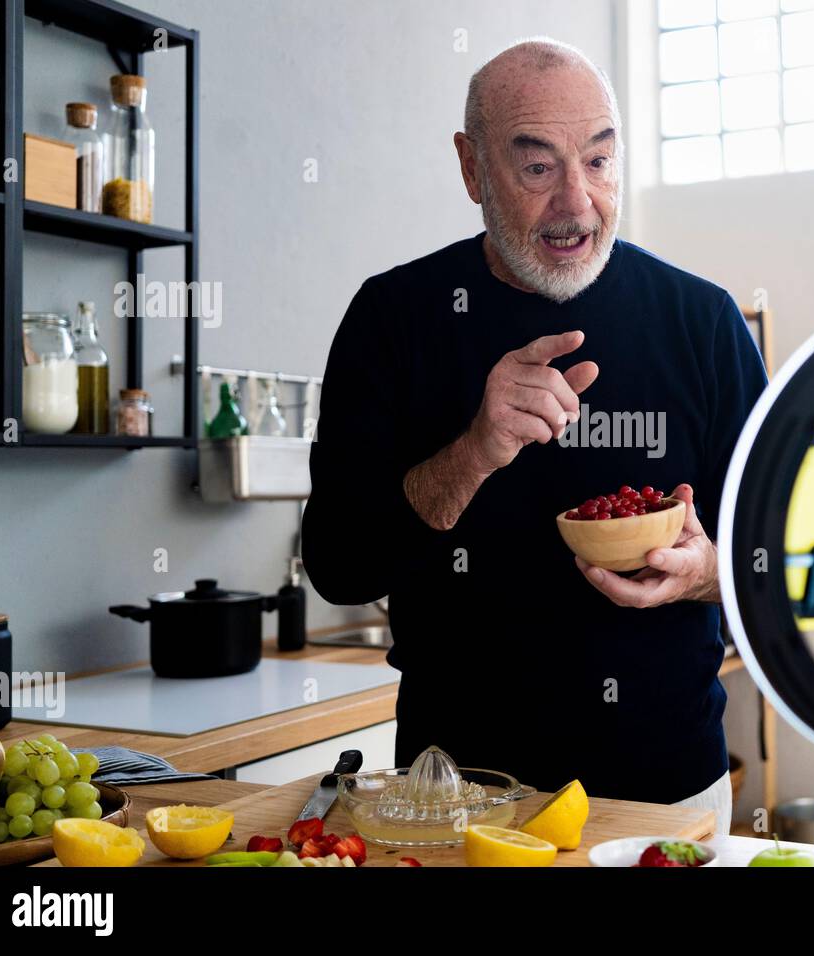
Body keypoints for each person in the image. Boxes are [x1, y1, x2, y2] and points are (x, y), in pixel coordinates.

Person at [302, 38, 766, 837]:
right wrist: (475, 449)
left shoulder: (703, 322)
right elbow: (339, 567)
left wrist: (704, 574)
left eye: (599, 161)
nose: (577, 203)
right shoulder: (394, 319)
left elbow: (787, 565)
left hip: (663, 795)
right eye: (539, 167)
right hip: (456, 804)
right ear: (473, 169)